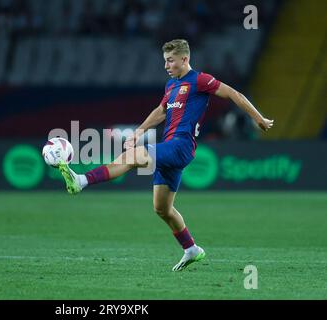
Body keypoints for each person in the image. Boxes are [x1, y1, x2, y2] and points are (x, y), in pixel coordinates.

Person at [58, 39, 274, 271]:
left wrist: (258, 118)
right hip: (168, 146)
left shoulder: (200, 80)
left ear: (185, 59)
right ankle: (192, 249)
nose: (166, 65)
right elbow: (160, 111)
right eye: (165, 61)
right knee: (162, 208)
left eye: (170, 61)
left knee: (132, 157)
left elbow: (234, 94)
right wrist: (138, 132)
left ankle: (81, 180)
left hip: (181, 146)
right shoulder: (171, 86)